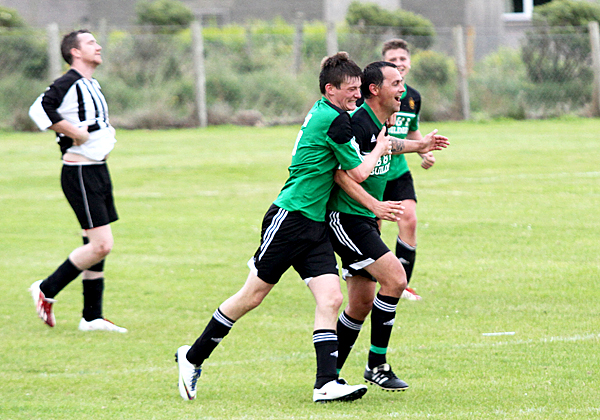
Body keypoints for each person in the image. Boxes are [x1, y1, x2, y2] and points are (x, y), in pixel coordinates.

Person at [175, 52, 403, 403]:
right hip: (290, 217)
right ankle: (192, 357)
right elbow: (357, 173)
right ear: (330, 90)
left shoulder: (326, 110)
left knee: (331, 298)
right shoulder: (336, 121)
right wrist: (380, 149)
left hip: (314, 224)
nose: (357, 97)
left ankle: (326, 383)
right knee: (252, 296)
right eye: (351, 90)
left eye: (359, 90)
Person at [326, 61, 449, 390]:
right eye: (396, 83)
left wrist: (420, 146)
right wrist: (373, 205)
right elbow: (340, 174)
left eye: (403, 82)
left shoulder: (377, 122)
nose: (403, 90)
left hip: (364, 219)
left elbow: (390, 145)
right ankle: (376, 365)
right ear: (374, 90)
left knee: (362, 302)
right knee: (396, 278)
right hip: (346, 219)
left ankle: (329, 375)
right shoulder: (355, 123)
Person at [28, 29, 126, 333]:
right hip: (80, 173)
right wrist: (74, 132)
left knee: (92, 241)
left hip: (97, 171)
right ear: (74, 52)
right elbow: (39, 109)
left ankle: (92, 316)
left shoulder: (89, 83)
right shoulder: (68, 81)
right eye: (90, 43)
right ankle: (46, 288)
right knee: (101, 245)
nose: (98, 47)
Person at [382, 39, 433, 301]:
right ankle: (367, 279)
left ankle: (402, 284)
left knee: (409, 219)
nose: (399, 63)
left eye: (402, 59)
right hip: (374, 173)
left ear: (409, 63)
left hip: (399, 171)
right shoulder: (375, 95)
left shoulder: (413, 97)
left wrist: (424, 150)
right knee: (372, 229)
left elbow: (412, 129)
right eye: (393, 59)